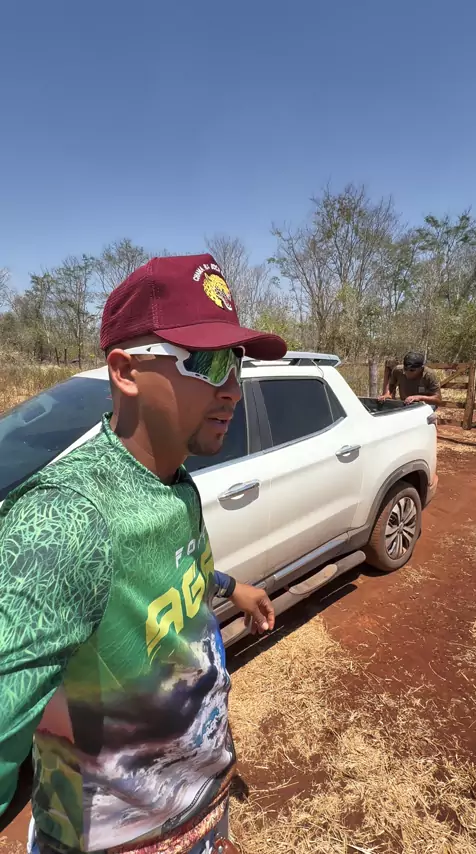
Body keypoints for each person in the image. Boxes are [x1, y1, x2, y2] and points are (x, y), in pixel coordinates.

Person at [0, 254, 287, 854]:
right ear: (126, 371)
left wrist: (232, 588)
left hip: (200, 803)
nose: (233, 389)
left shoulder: (175, 477)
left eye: (235, 362)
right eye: (207, 362)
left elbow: (177, 567)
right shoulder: (67, 520)